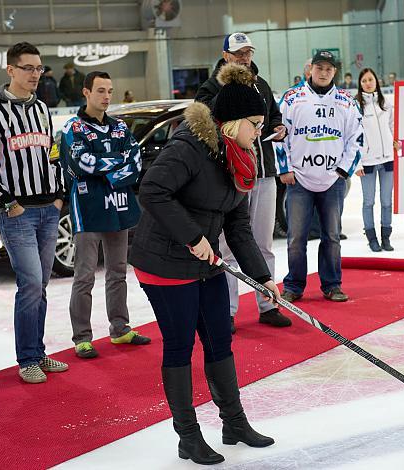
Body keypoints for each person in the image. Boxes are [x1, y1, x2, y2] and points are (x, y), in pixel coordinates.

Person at [129, 63, 278, 465]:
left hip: (204, 261)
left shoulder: (240, 156)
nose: (258, 132)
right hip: (164, 262)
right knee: (180, 345)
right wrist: (192, 237)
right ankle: (188, 437)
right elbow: (152, 191)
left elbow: (238, 224)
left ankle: (234, 422)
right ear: (231, 122)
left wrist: (262, 277)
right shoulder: (188, 148)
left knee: (218, 339)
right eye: (254, 124)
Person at [0, 42, 68, 384]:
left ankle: (38, 353)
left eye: (39, 68)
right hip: (18, 213)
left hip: (48, 211)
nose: (35, 75)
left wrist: (58, 197)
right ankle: (26, 357)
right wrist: (8, 202)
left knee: (40, 285)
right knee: (29, 284)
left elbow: (53, 155)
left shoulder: (42, 107)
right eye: (28, 68)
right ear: (10, 70)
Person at [195, 32, 291, 331]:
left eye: (247, 52)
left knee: (264, 244)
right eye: (238, 53)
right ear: (225, 56)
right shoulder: (211, 87)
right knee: (226, 248)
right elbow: (207, 124)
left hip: (263, 172)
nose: (244, 57)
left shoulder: (260, 84)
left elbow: (274, 114)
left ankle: (267, 304)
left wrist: (278, 127)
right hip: (230, 176)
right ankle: (228, 310)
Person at [60, 71, 150, 359]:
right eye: (100, 90)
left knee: (118, 271)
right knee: (84, 274)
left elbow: (134, 161)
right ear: (86, 92)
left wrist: (109, 173)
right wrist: (115, 165)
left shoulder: (121, 127)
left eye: (110, 90)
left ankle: (120, 329)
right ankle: (82, 338)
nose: (107, 96)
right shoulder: (73, 128)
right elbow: (82, 163)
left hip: (118, 205)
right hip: (87, 209)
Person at [276, 50, 363, 303]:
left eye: (329, 68)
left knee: (332, 236)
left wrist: (343, 172)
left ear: (334, 72)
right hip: (299, 180)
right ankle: (293, 286)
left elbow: (356, 140)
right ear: (310, 69)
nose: (323, 72)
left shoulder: (346, 102)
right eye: (319, 67)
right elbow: (278, 134)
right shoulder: (292, 98)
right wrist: (285, 168)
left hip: (332, 181)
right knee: (295, 238)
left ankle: (332, 284)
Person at [355, 68, 397, 253]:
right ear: (360, 84)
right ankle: (372, 238)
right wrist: (357, 163)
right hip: (368, 161)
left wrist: (395, 142)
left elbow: (393, 125)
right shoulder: (356, 105)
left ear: (376, 81)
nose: (368, 83)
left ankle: (386, 237)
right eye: (364, 81)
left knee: (387, 201)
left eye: (370, 79)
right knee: (368, 201)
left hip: (388, 158)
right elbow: (352, 135)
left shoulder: (386, 103)